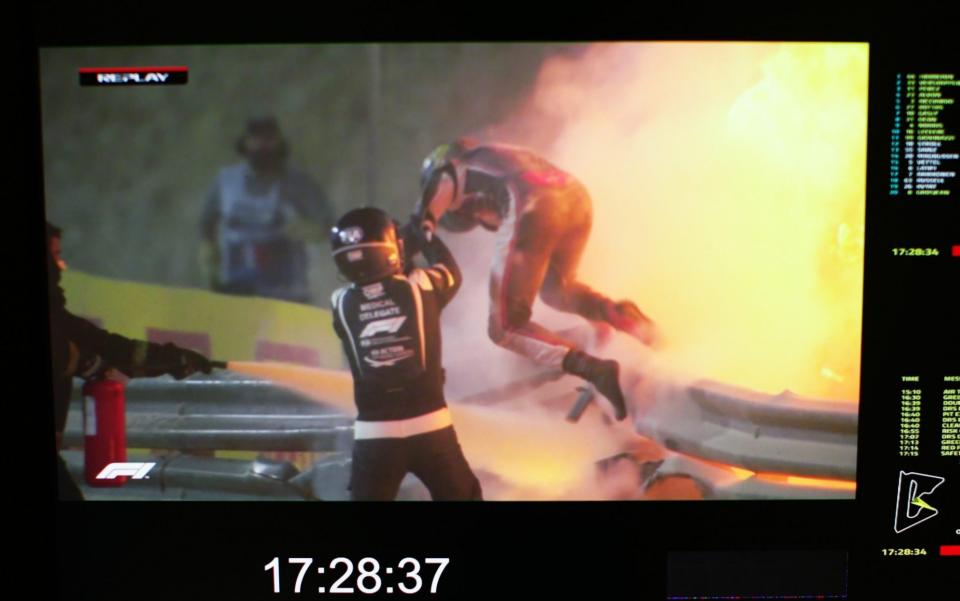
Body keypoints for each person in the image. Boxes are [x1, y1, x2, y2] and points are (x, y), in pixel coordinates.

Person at [412, 139, 661, 421]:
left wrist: (421, 224)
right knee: (558, 290)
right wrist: (596, 325)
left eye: (475, 213)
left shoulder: (453, 167)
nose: (482, 218)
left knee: (505, 326)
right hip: (575, 195)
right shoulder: (500, 155)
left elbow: (440, 182)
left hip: (530, 201)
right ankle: (629, 321)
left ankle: (596, 370)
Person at [46, 221, 215, 500]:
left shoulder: (58, 317)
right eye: (53, 256)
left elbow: (108, 346)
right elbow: (67, 352)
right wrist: (91, 365)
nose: (61, 266)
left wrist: (170, 358)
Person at [329, 207, 482, 501]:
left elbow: (373, 291)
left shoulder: (339, 303)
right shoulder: (421, 285)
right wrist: (424, 233)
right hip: (431, 427)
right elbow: (451, 271)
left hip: (374, 436)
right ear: (390, 249)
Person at [199, 116, 334, 304]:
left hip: (288, 291)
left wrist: (312, 231)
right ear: (245, 143)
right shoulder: (226, 182)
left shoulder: (297, 183)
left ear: (279, 143)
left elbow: (329, 225)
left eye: (268, 140)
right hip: (236, 289)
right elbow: (207, 223)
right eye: (256, 139)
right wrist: (210, 260)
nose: (262, 146)